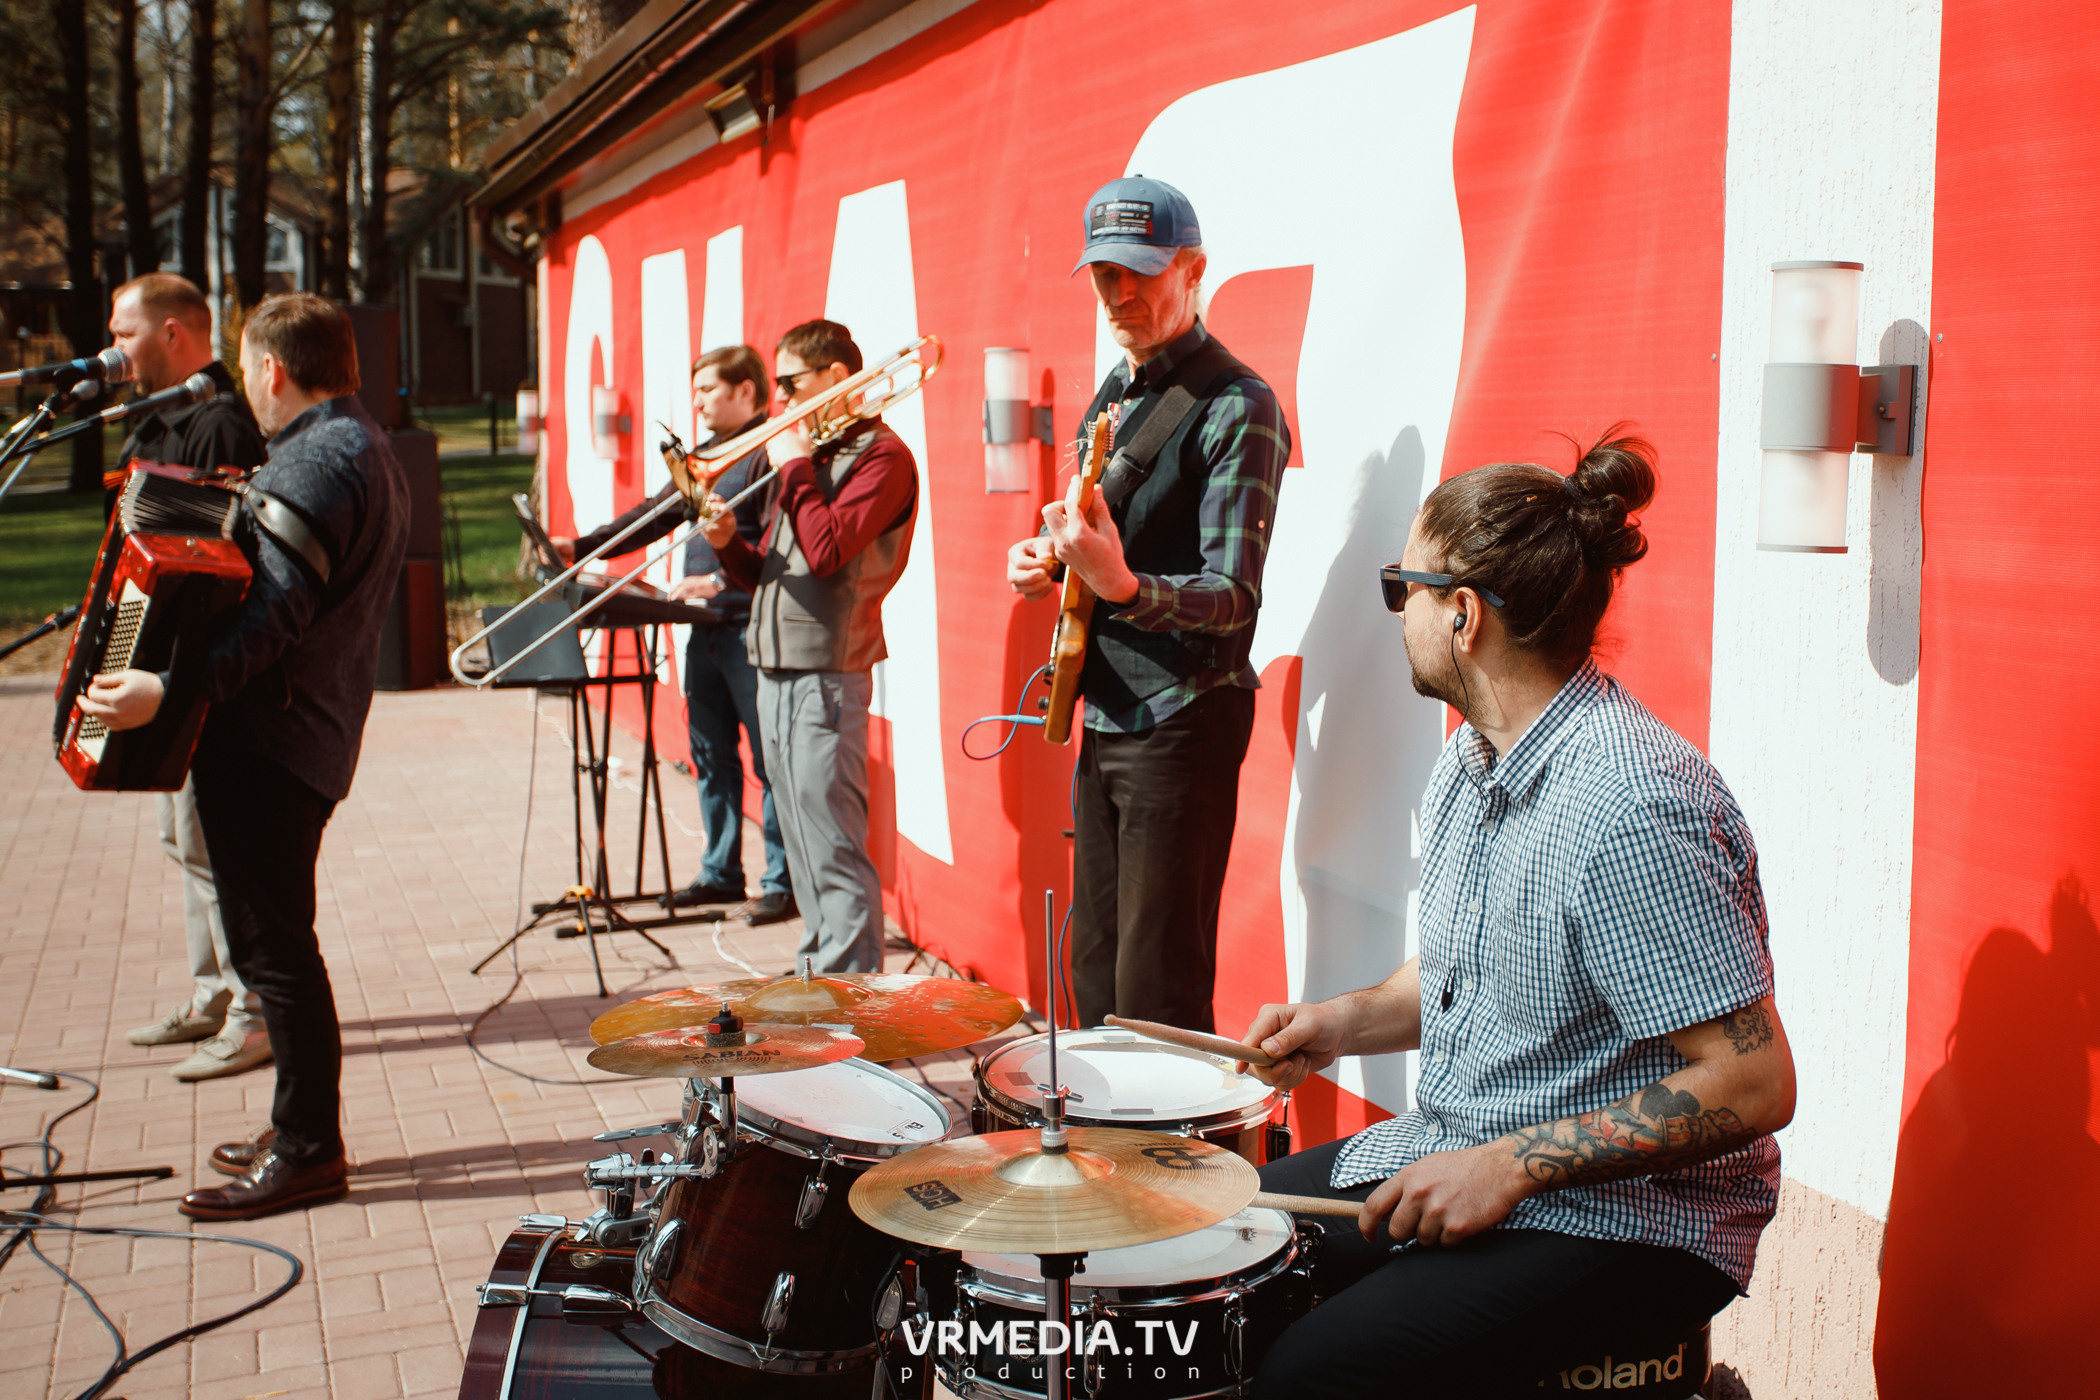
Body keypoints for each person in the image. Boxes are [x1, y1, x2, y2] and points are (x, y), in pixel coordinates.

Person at [1235, 432, 1797, 1398]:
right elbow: (1472, 976)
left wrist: (1509, 1167)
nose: (1396, 614)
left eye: (1401, 588)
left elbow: (1753, 1080)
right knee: (1221, 1245)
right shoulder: (1472, 762)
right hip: (1466, 1148)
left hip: (1636, 1222)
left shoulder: (1631, 807)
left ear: (1462, 615)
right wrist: (1342, 1022)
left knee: (1311, 1374)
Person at [78, 293, 409, 1221]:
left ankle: (309, 1152)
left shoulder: (315, 461)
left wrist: (165, 692)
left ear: (270, 369)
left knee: (275, 954)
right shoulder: (361, 445)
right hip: (306, 733)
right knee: (277, 947)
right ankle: (297, 1129)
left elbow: (271, 621)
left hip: (273, 743)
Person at [1005, 176, 1290, 1032]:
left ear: (1192, 268)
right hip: (1107, 711)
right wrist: (1052, 563)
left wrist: (1120, 585)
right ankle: (1104, 1125)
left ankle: (1172, 1128)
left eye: (1141, 271)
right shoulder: (1115, 391)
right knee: (1095, 973)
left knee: (1156, 992)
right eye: (1104, 274)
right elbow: (1104, 540)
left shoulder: (1239, 403)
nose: (1120, 293)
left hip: (1184, 714)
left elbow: (1233, 598)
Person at [699, 319, 915, 976]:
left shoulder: (883, 458)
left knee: (832, 842)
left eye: (790, 384)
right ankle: (819, 982)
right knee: (798, 836)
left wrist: (792, 463)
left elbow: (825, 554)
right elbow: (768, 573)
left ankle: (851, 1000)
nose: (782, 400)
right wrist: (727, 544)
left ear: (836, 378)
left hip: (827, 673)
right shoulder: (816, 458)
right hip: (776, 665)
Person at [554, 345, 796, 925]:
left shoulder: (772, 450)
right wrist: (579, 548)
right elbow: (650, 517)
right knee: (711, 755)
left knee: (769, 761)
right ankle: (721, 874)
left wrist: (719, 578)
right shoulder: (704, 456)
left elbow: (780, 541)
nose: (697, 400)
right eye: (696, 389)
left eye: (708, 388)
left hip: (749, 629)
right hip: (702, 631)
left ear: (745, 391)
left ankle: (781, 882)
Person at [104, 272, 273, 1084]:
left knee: (208, 839)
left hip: (197, 673)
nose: (112, 347)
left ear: (173, 333)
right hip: (157, 666)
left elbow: (226, 566)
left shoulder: (219, 425)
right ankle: (214, 993)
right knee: (181, 837)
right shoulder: (155, 420)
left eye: (123, 331)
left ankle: (252, 1010)